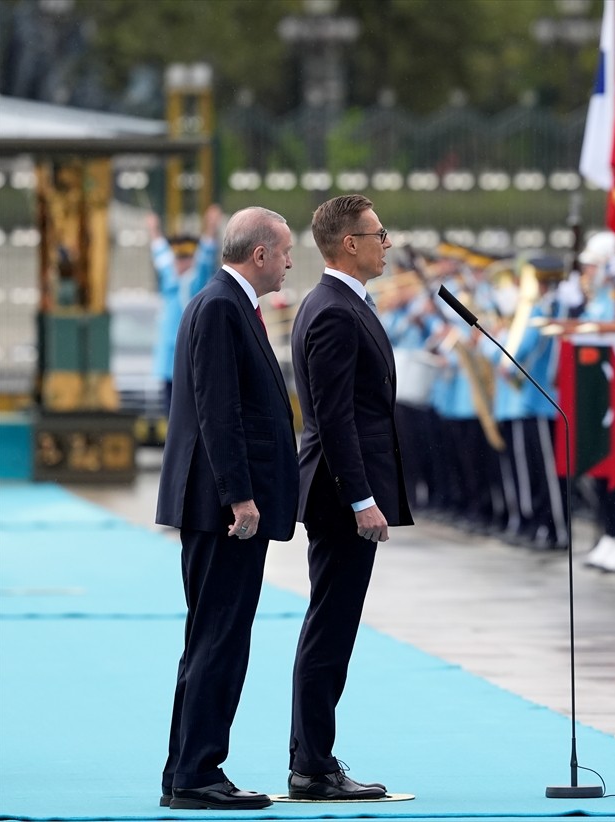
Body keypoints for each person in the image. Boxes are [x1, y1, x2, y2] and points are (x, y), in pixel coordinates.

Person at [155, 207, 298, 811]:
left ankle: (187, 768)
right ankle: (197, 774)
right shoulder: (220, 306)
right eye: (286, 251)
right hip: (223, 508)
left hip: (222, 505)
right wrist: (240, 494)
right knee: (219, 638)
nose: (291, 262)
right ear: (260, 254)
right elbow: (219, 411)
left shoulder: (228, 302)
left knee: (214, 636)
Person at [289, 194, 413, 800]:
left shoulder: (338, 301)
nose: (386, 243)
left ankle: (314, 758)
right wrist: (361, 496)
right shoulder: (335, 309)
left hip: (341, 489)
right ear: (350, 245)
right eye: (378, 233)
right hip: (339, 494)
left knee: (333, 624)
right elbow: (335, 417)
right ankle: (313, 765)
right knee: (330, 628)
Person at [148, 204, 223, 416]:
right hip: (170, 361)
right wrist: (153, 229)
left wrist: (211, 227)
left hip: (192, 358)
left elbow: (206, 256)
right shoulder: (171, 278)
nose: (181, 263)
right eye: (179, 258)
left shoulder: (196, 282)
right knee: (172, 413)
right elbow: (161, 254)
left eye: (186, 258)